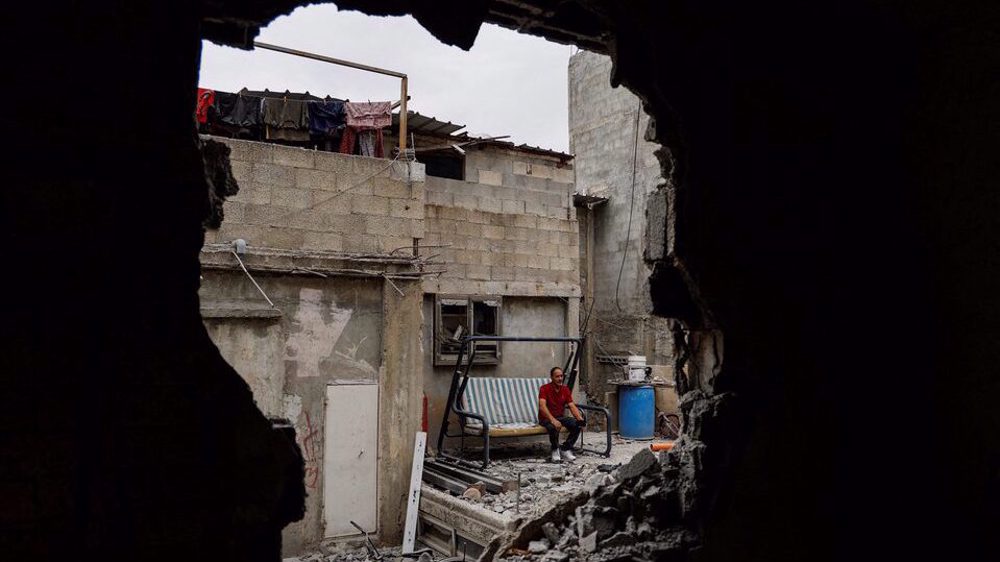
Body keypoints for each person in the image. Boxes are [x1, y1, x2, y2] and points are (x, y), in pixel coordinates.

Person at [538, 366, 584, 462]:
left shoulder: (565, 390)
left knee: (577, 425)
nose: (560, 379)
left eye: (561, 376)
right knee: (553, 426)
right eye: (557, 376)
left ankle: (565, 448)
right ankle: (555, 450)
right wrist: (553, 420)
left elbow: (571, 406)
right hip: (546, 418)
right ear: (552, 377)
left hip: (560, 417)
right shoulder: (544, 388)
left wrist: (579, 419)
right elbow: (542, 406)